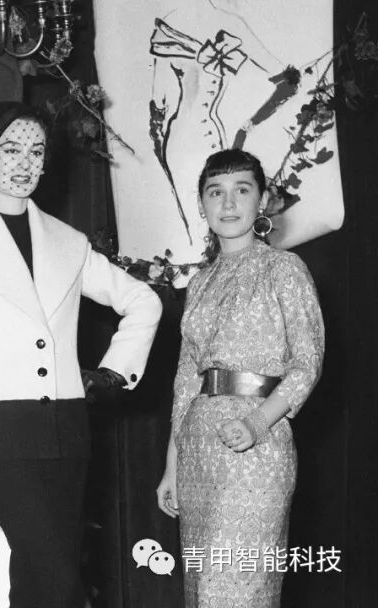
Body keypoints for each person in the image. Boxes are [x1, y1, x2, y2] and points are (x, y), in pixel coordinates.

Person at [0, 101, 163, 607]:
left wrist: (113, 374)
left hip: (68, 431)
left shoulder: (67, 242)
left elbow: (144, 301)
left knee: (43, 576)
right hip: (0, 435)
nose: (24, 162)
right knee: (54, 576)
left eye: (36, 151)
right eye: (11, 149)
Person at [156, 149, 324, 607]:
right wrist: (172, 464)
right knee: (202, 592)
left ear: (262, 200)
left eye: (242, 190)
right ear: (202, 204)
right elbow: (186, 381)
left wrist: (256, 423)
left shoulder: (284, 269)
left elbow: (307, 363)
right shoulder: (199, 283)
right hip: (199, 450)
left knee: (239, 590)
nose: (228, 204)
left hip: (258, 446)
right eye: (216, 192)